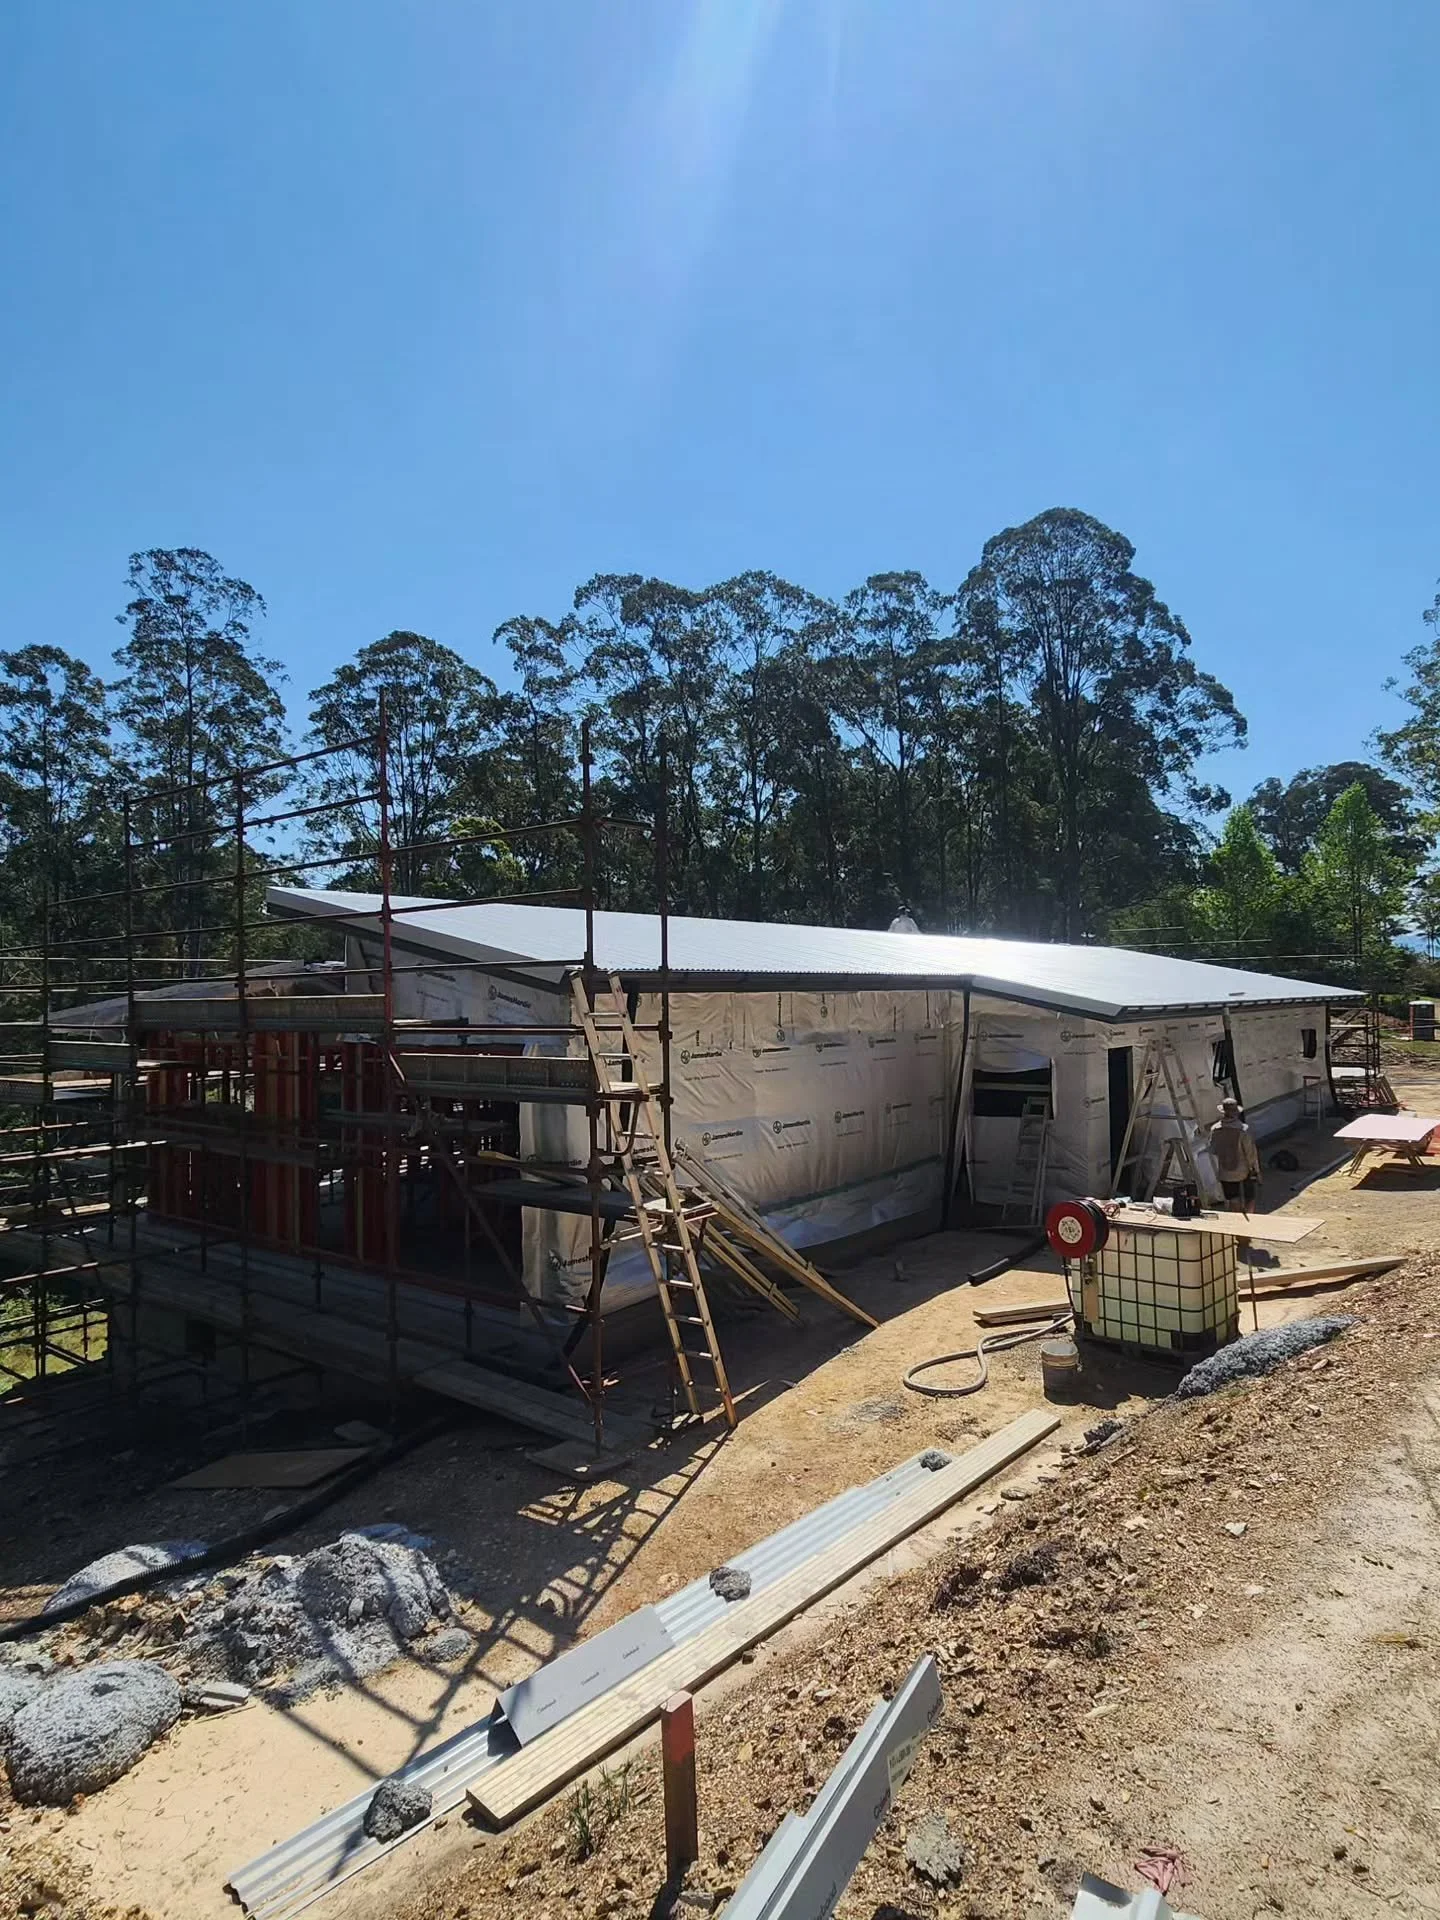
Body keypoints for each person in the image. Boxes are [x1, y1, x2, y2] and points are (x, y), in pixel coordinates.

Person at [1209, 1097, 1260, 1209]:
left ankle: (1236, 1216)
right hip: (1243, 1171)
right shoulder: (1243, 1130)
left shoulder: (1215, 1129)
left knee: (1233, 1197)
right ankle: (1250, 1215)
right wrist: (1255, 1170)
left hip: (1224, 1171)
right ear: (1236, 1113)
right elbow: (1250, 1154)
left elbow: (1213, 1150)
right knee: (1250, 1196)